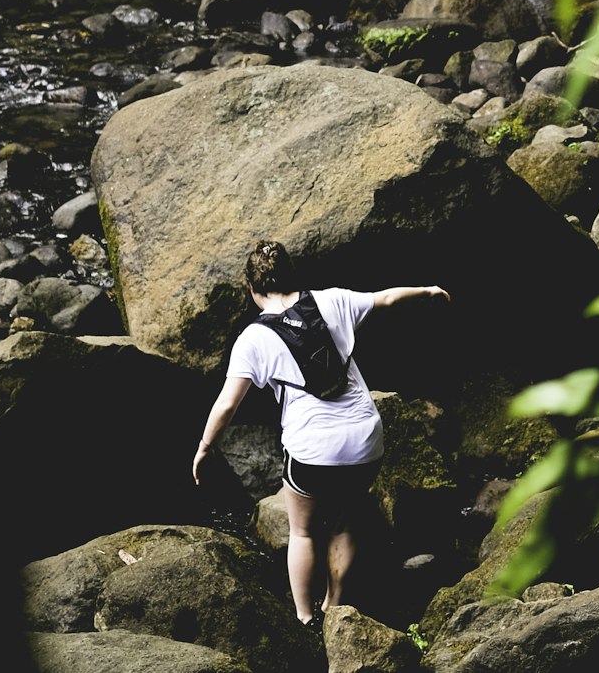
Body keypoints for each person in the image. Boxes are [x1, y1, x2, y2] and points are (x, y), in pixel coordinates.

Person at [192, 239, 450, 629]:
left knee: (303, 531)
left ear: (252, 289)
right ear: (294, 274)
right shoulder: (333, 300)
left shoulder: (253, 339)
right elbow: (388, 299)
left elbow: (227, 405)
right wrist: (428, 291)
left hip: (313, 450)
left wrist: (205, 447)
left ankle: (305, 616)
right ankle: (337, 606)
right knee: (346, 521)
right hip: (365, 440)